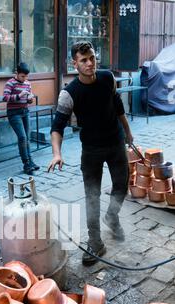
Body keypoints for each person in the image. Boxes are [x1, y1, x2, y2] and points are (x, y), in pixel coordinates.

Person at [48, 41, 133, 266]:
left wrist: (128, 132)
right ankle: (95, 241)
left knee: (122, 185)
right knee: (92, 196)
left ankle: (112, 217)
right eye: (84, 60)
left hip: (115, 142)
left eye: (92, 58)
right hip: (92, 150)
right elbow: (57, 127)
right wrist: (57, 153)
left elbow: (117, 106)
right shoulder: (69, 93)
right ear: (74, 63)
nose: (90, 63)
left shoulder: (107, 78)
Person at [3, 62, 40, 175]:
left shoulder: (27, 83)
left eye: (26, 76)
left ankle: (31, 161)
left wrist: (30, 99)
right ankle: (26, 164)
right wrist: (19, 95)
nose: (25, 79)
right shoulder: (10, 83)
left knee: (27, 138)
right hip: (14, 113)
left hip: (25, 112)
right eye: (22, 76)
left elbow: (29, 99)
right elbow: (5, 97)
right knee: (22, 137)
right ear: (17, 73)